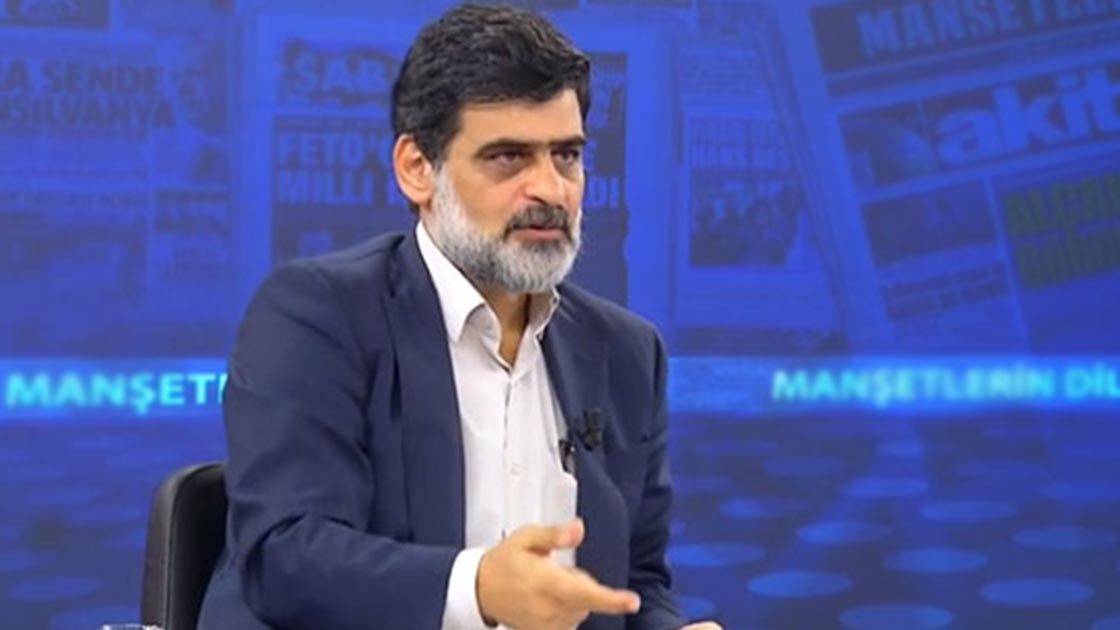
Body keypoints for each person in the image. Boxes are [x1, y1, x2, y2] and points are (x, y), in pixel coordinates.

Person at [197, 4, 721, 629]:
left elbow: (638, 584)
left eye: (567, 156)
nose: (551, 189)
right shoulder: (317, 316)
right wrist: (479, 588)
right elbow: (286, 558)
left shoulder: (627, 353)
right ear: (417, 169)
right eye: (509, 158)